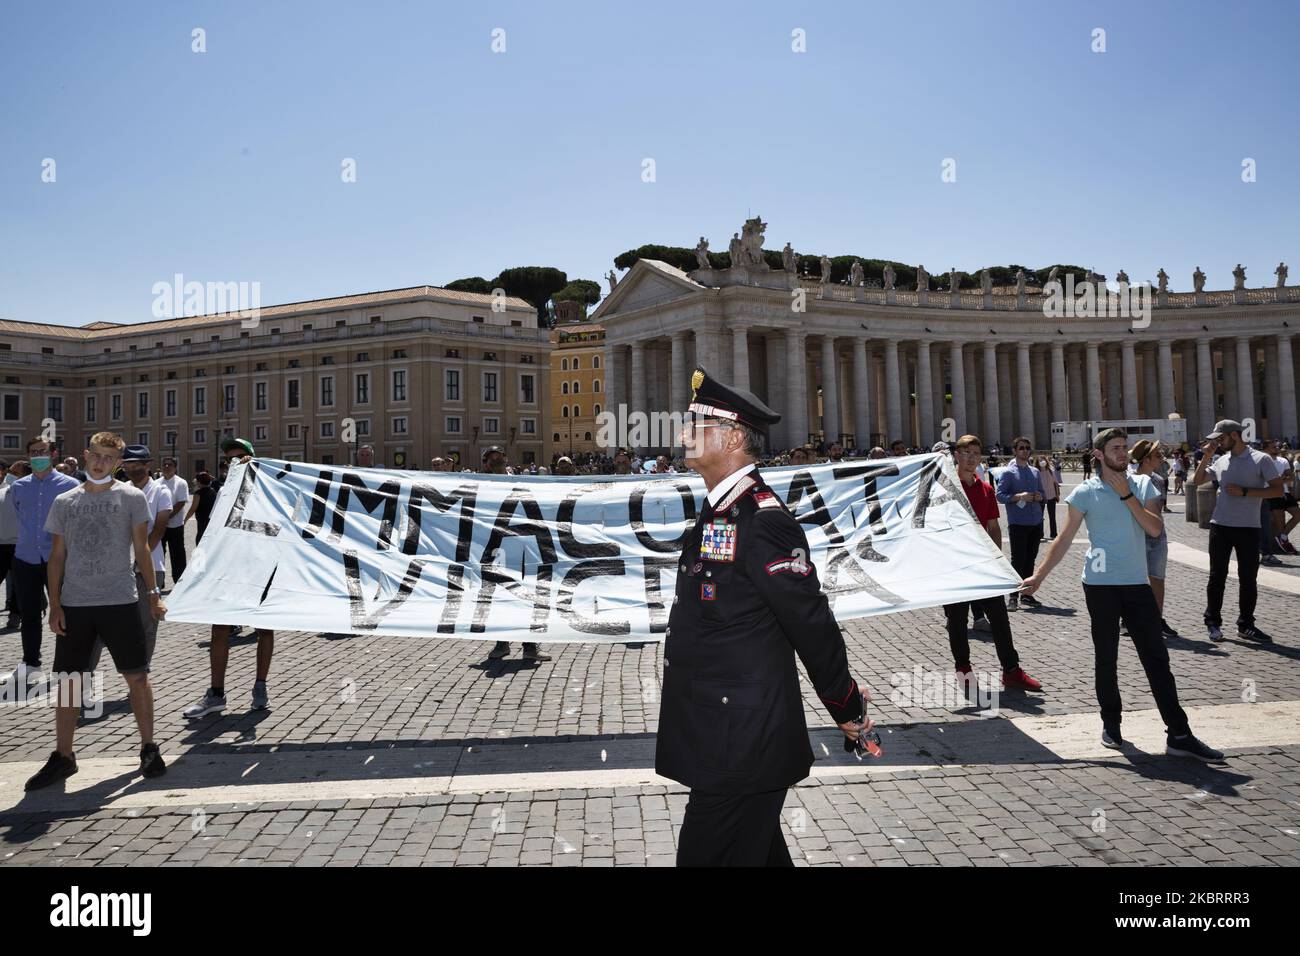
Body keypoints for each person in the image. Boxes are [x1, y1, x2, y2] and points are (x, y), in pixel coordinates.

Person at [657, 367, 873, 866]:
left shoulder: (763, 519)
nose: (681, 433)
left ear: (733, 437)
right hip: (722, 727)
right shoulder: (718, 510)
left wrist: (845, 706)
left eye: (695, 423)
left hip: (742, 737)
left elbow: (810, 623)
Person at [1021, 428, 1223, 761]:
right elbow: (1064, 539)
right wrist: (1039, 577)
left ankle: (1179, 734)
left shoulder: (1144, 485)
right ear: (1099, 455)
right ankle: (1111, 724)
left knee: (1157, 658)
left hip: (1136, 584)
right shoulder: (1085, 492)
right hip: (1099, 585)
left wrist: (1127, 495)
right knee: (1106, 657)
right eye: (1115, 448)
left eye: (1125, 448)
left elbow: (1155, 529)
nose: (1123, 453)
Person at [25, 431, 167, 790]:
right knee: (70, 681)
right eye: (97, 455)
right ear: (85, 455)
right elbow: (56, 557)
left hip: (120, 600)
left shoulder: (131, 497)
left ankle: (149, 747)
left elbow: (142, 549)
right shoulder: (66, 501)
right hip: (76, 604)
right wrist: (54, 604)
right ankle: (64, 756)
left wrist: (152, 594)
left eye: (109, 458)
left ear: (118, 463)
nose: (101, 462)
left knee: (136, 676)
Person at [183, 438, 277, 717]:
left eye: (239, 457)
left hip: (259, 565)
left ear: (251, 458)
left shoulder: (268, 487)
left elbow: (276, 526)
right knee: (219, 630)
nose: (233, 463)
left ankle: (260, 686)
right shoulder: (222, 490)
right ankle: (216, 693)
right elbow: (215, 530)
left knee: (265, 628)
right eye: (227, 460)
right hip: (229, 568)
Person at [945, 436, 1041, 691]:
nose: (970, 457)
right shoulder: (945, 488)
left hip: (983, 565)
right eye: (965, 452)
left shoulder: (986, 489)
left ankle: (1011, 670)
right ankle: (963, 670)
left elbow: (994, 527)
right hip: (954, 566)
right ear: (956, 455)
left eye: (975, 453)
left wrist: (996, 559)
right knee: (956, 620)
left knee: (999, 618)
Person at [1192, 420, 1284, 643]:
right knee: (1216, 577)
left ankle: (1246, 624)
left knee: (1248, 579)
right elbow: (1197, 480)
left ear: (1235, 435)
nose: (1218, 443)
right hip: (1220, 525)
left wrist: (1245, 492)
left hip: (1248, 527)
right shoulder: (1221, 459)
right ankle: (1213, 622)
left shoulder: (1261, 459)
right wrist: (1206, 456)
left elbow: (1277, 490)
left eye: (1221, 438)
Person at [6, 438, 80, 687]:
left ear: (53, 454)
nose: (38, 456)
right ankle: (31, 663)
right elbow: (20, 517)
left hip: (57, 558)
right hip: (25, 557)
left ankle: (67, 666)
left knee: (64, 612)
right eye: (33, 452)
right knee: (29, 614)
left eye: (43, 452)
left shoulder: (70, 485)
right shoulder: (18, 487)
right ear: (27, 456)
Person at [485, 444, 550, 663]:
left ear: (505, 457)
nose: (495, 460)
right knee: (503, 596)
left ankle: (530, 646)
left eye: (498, 456)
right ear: (487, 462)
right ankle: (502, 643)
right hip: (497, 546)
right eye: (491, 458)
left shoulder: (521, 479)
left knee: (528, 595)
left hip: (523, 543)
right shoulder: (481, 484)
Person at [1130, 440, 1179, 638]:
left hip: (1158, 537)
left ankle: (1157, 619)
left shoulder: (1159, 480)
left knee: (1158, 579)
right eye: (1157, 455)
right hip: (1136, 536)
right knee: (1135, 581)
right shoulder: (1129, 481)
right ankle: (1131, 619)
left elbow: (1159, 509)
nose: (1162, 458)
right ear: (1145, 460)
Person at [996, 437, 1044, 610]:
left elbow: (1043, 494)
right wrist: (1019, 497)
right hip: (1018, 522)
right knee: (1018, 560)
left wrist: (1039, 496)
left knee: (1030, 559)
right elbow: (1000, 495)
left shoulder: (1035, 472)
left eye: (1027, 448)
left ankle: (1027, 594)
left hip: (1035, 521)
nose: (1025, 451)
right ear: (1015, 451)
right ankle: (1013, 596)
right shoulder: (1008, 472)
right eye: (1022, 448)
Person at [159, 457, 190, 585]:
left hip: (175, 525)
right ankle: (159, 581)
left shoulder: (181, 483)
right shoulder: (156, 483)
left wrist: (167, 517)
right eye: (164, 464)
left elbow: (181, 502)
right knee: (159, 554)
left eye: (170, 465)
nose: (167, 466)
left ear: (175, 467)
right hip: (159, 525)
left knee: (177, 554)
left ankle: (179, 581)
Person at [186, 471, 218, 543]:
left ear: (199, 482)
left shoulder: (198, 494)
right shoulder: (213, 491)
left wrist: (185, 520)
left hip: (202, 521)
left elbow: (193, 509)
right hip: (211, 520)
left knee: (200, 540)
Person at [1039, 455, 1060, 539]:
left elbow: (1056, 484)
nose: (1042, 462)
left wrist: (1057, 495)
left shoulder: (1051, 471)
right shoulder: (1036, 471)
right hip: (1041, 497)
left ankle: (1054, 534)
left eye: (1043, 460)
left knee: (1052, 516)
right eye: (1040, 460)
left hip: (1051, 496)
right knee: (1040, 517)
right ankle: (1040, 534)